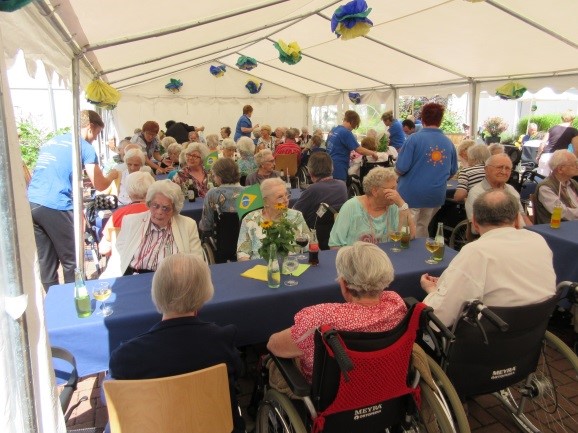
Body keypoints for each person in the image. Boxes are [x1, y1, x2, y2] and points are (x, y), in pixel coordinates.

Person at [108, 253, 245, 433]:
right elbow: (239, 372)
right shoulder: (222, 340)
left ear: (157, 291)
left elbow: (112, 396)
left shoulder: (126, 357)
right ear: (204, 292)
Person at [267, 241, 408, 383]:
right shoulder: (395, 303)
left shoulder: (320, 319)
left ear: (344, 284)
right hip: (383, 383)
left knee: (275, 363)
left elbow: (274, 345)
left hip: (331, 390)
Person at [421, 189, 556, 326]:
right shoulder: (538, 240)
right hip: (535, 326)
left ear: (474, 222)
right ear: (517, 219)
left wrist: (432, 291)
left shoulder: (476, 252)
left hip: (489, 333)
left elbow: (440, 317)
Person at [28, 110, 118, 290]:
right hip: (56, 203)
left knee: (46, 260)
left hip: (33, 200)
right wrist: (112, 175)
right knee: (72, 258)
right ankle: (74, 296)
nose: (95, 139)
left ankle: (52, 299)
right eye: (97, 133)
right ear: (90, 127)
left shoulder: (53, 141)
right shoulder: (84, 147)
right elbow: (99, 184)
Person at [102, 180, 203, 277]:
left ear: (174, 209)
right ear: (149, 204)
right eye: (155, 205)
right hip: (136, 278)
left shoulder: (188, 225)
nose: (159, 212)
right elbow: (117, 258)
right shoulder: (131, 221)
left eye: (165, 208)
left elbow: (197, 262)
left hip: (172, 280)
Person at [395, 102, 458, 237]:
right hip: (435, 194)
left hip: (411, 194)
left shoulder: (413, 139)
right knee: (422, 227)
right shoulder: (448, 142)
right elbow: (453, 171)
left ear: (422, 119)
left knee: (406, 231)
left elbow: (401, 168)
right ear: (440, 120)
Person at [329, 167, 415, 247]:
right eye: (392, 189)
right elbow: (335, 244)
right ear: (375, 191)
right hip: (356, 256)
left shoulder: (394, 206)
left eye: (396, 188)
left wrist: (402, 205)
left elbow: (410, 236)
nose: (396, 193)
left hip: (387, 256)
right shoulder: (351, 207)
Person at [237, 178, 310, 261]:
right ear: (265, 201)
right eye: (280, 197)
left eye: (287, 195)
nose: (286, 200)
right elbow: (242, 253)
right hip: (259, 266)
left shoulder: (296, 216)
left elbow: (309, 245)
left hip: (291, 264)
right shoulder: (250, 219)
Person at [465, 153, 531, 231]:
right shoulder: (477, 192)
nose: (503, 172)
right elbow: (475, 228)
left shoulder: (511, 190)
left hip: (518, 233)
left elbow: (522, 215)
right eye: (499, 167)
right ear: (486, 169)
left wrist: (533, 231)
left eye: (507, 168)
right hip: (492, 235)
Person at [99, 171, 155, 256]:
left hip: (124, 261)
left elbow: (104, 250)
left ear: (128, 192)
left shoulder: (118, 215)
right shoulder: (159, 214)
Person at [292, 152, 348, 228]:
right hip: (336, 228)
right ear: (332, 168)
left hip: (313, 230)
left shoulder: (313, 189)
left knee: (292, 198)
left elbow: (294, 213)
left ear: (310, 171)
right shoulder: (342, 185)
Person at [327, 110, 378, 182]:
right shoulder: (346, 132)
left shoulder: (334, 130)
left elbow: (332, 146)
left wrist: (347, 154)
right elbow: (359, 150)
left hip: (328, 164)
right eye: (355, 125)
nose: (353, 128)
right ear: (352, 122)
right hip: (339, 167)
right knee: (340, 187)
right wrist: (372, 153)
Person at [199, 158, 244, 235]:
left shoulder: (212, 193)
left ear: (219, 177)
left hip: (223, 238)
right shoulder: (251, 192)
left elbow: (206, 225)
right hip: (247, 238)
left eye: (214, 176)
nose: (214, 179)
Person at [535, 150, 578, 223]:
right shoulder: (545, 187)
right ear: (560, 169)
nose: (577, 166)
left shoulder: (573, 183)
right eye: (574, 164)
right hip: (557, 227)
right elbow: (561, 212)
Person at [537, 110, 578, 176]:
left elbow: (542, 143)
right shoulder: (574, 131)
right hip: (560, 158)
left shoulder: (553, 128)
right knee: (556, 181)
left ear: (562, 118)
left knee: (540, 178)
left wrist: (538, 155)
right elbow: (576, 149)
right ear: (573, 119)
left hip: (546, 156)